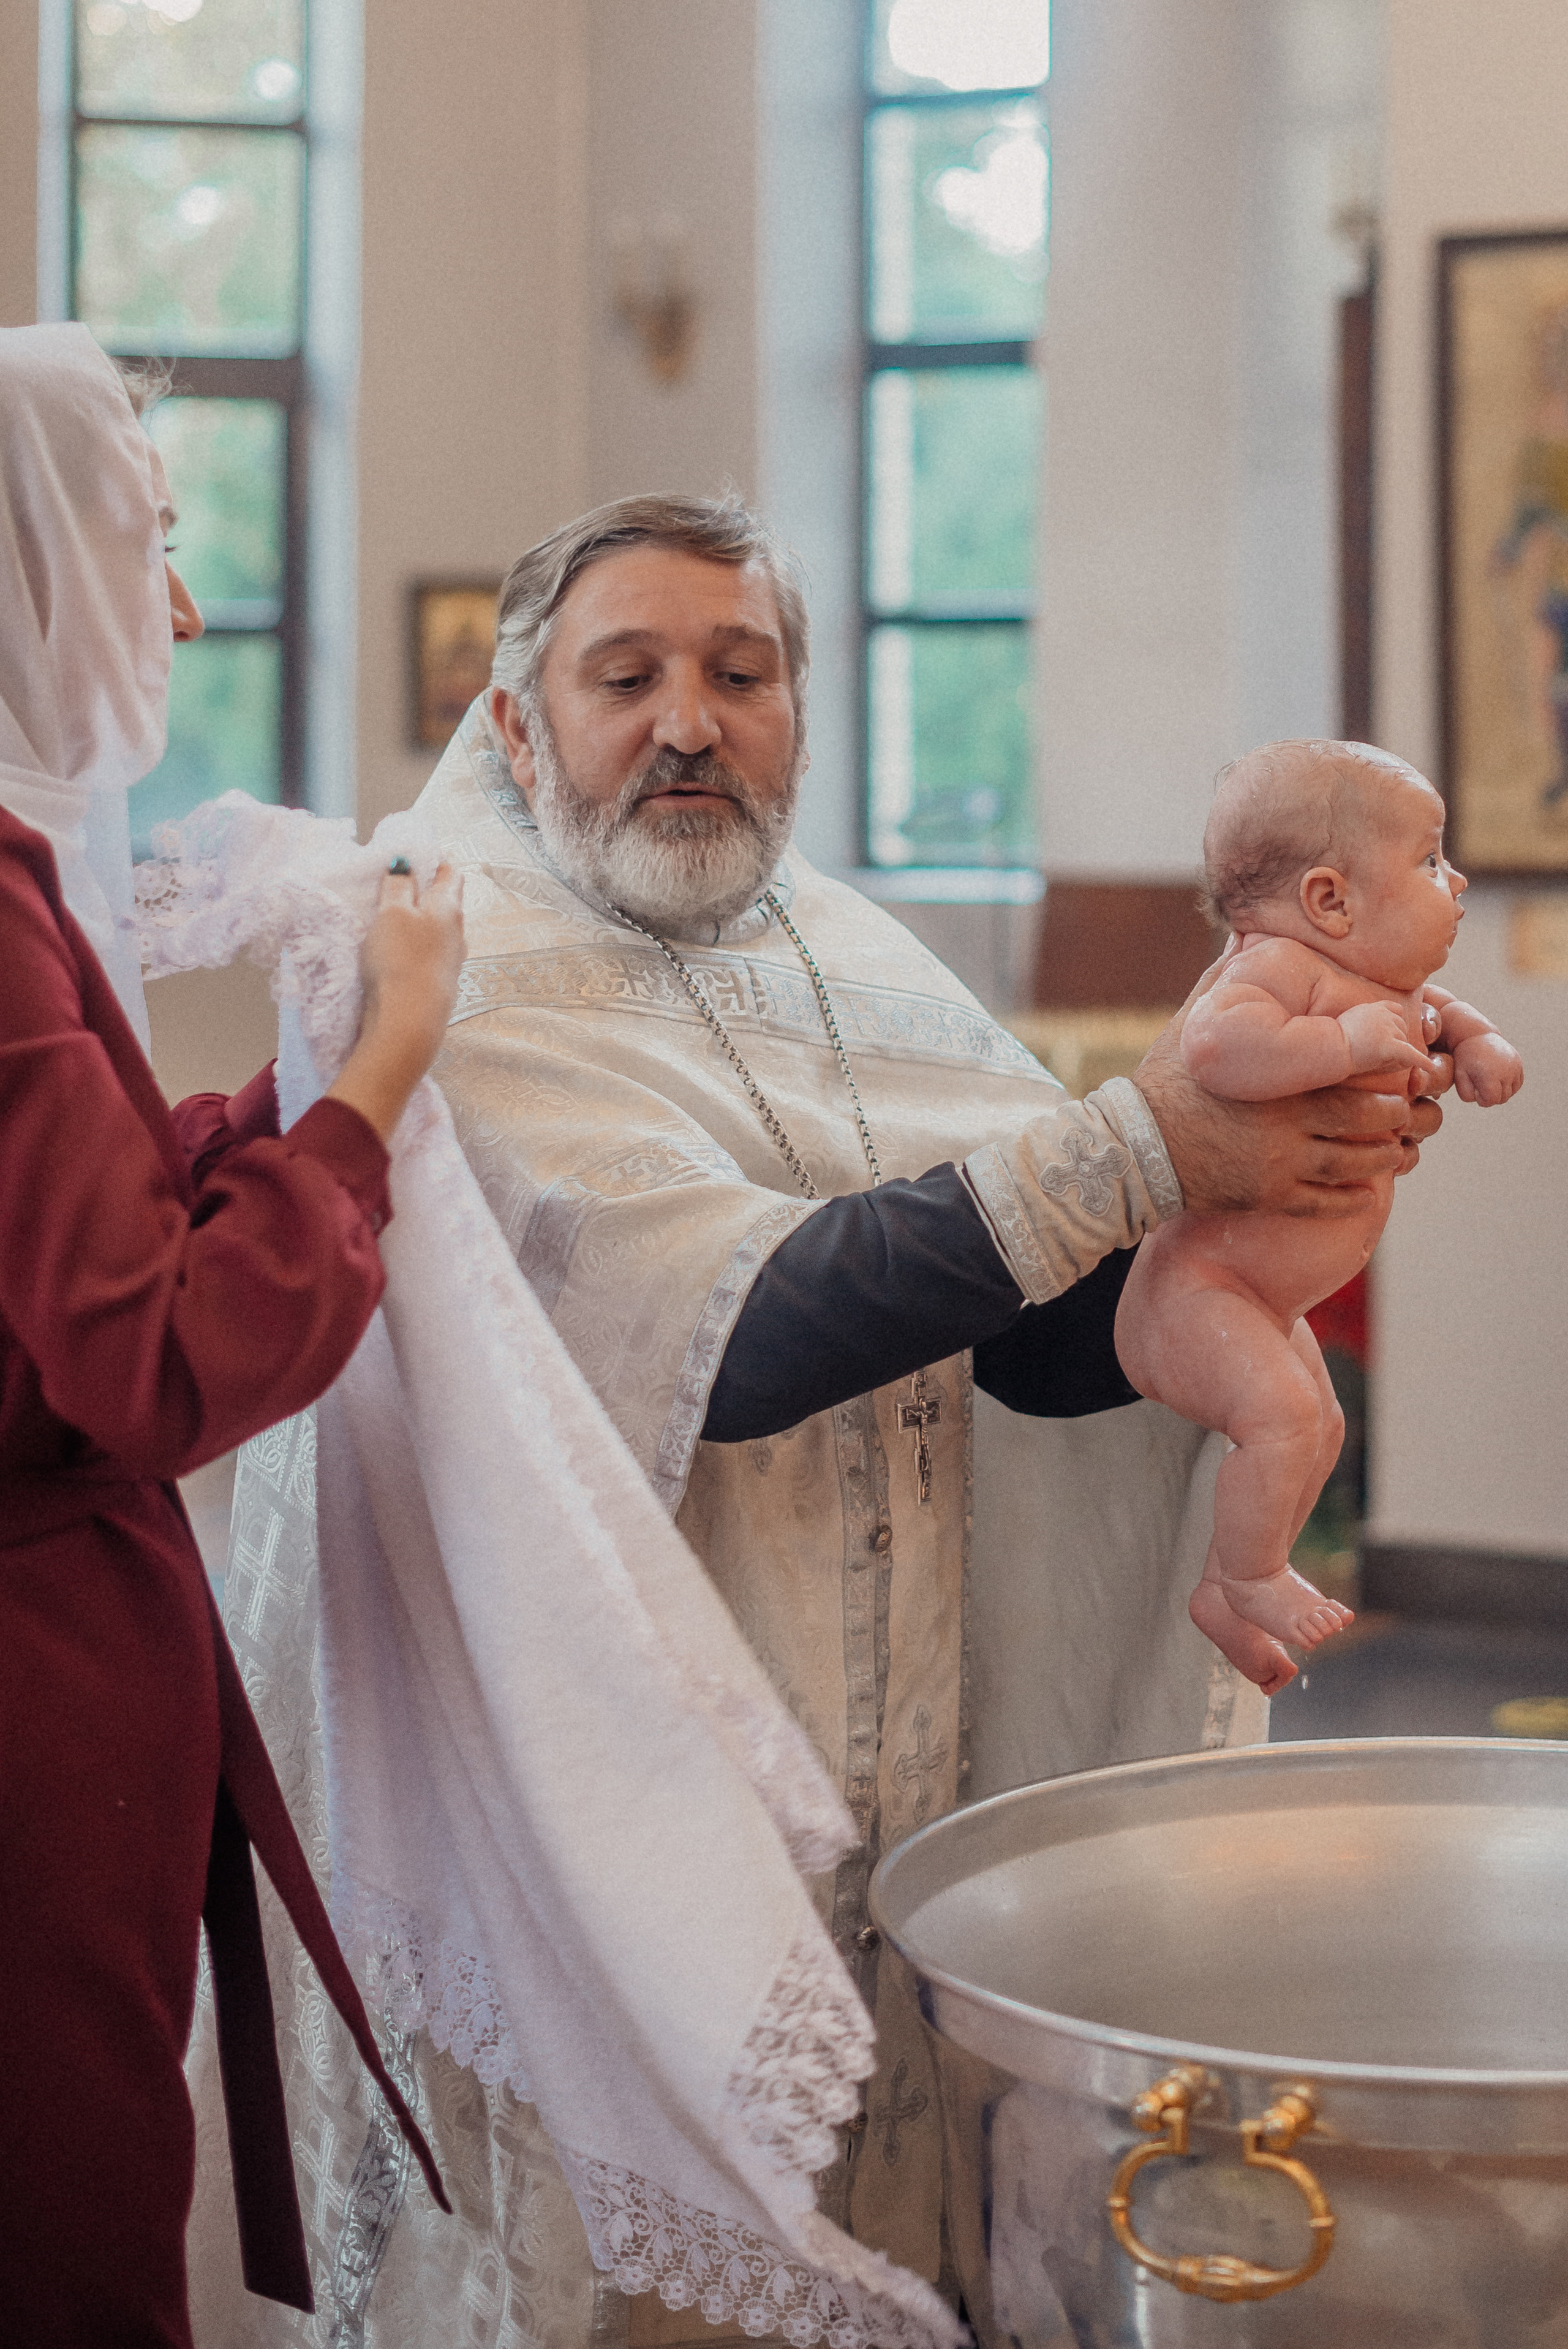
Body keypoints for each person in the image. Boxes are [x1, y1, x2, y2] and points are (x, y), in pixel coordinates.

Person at [192, 496, 1446, 2347]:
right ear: (522, 727)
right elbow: (736, 1327)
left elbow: (1019, 1349)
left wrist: (1228, 1252)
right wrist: (1138, 1145)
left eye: (743, 671)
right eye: (627, 676)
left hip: (889, 1817)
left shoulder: (854, 956)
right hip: (605, 1874)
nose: (690, 720)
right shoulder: (442, 965)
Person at [0, 322, 462, 2347]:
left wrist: (278, 1105)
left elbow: (58, 1208)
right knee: (63, 2227)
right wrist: (381, 1080)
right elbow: (151, 1351)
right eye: (146, 535)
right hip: (33, 1707)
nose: (180, 602)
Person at [1115, 740, 1521, 1695]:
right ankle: (1256, 1573)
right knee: (1289, 1418)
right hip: (1199, 1287)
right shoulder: (1275, 970)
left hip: (1261, 1297)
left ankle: (1224, 1589)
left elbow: (1446, 1016)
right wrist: (1336, 1043)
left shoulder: (1395, 987)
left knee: (1321, 1426)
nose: (1453, 878)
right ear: (1331, 901)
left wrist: (1477, 1038)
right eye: (1428, 861)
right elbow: (1215, 1049)